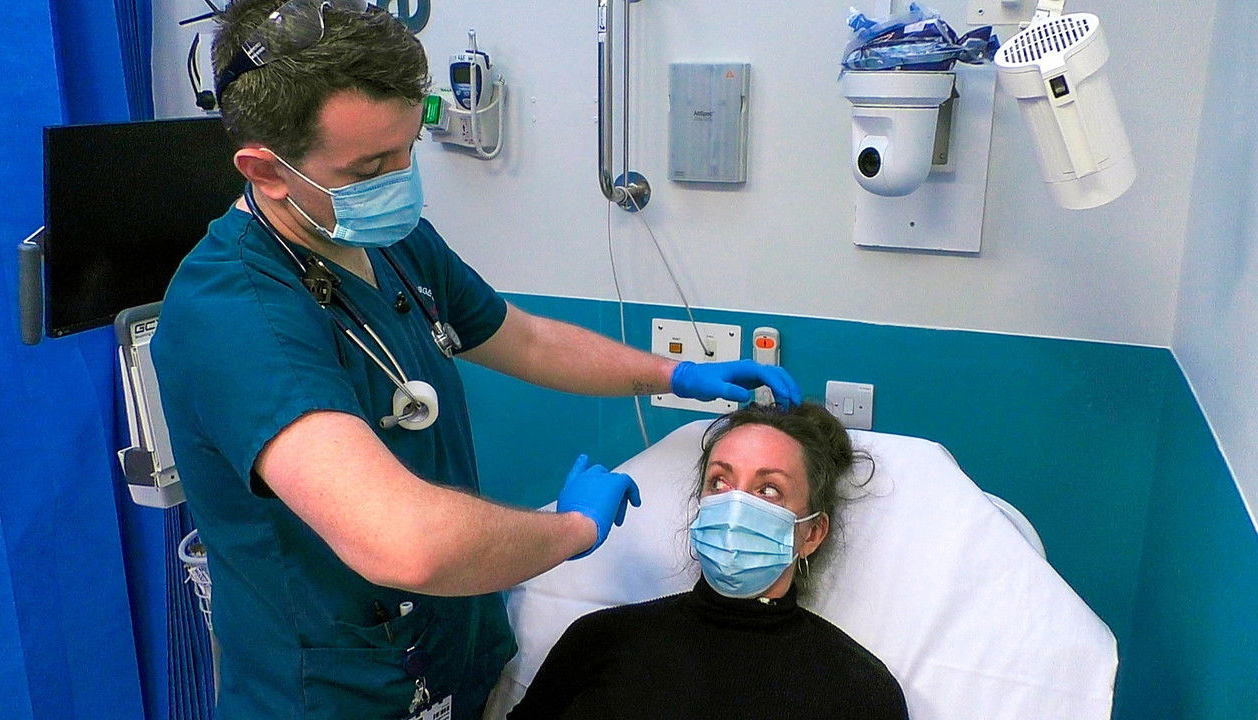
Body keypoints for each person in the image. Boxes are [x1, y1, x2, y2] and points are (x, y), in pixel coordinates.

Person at [149, 1, 801, 718]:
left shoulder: (388, 241)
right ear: (266, 172)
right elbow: (405, 543)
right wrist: (573, 532)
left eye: (408, 147)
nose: (401, 178)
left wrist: (672, 374)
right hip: (339, 689)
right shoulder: (235, 314)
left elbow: (525, 339)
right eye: (370, 166)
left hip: (451, 648)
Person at [508, 403, 908, 719]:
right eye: (719, 481)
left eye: (768, 490)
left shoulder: (859, 692)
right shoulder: (600, 640)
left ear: (812, 533)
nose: (735, 505)